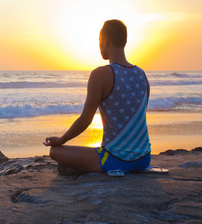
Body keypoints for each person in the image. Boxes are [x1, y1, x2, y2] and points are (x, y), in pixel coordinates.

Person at [44, 19, 151, 174]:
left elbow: (85, 120)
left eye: (100, 41)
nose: (99, 46)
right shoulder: (142, 74)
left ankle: (82, 168)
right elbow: (138, 114)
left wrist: (61, 140)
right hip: (144, 160)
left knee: (55, 152)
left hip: (115, 160)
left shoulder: (100, 74)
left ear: (106, 41)